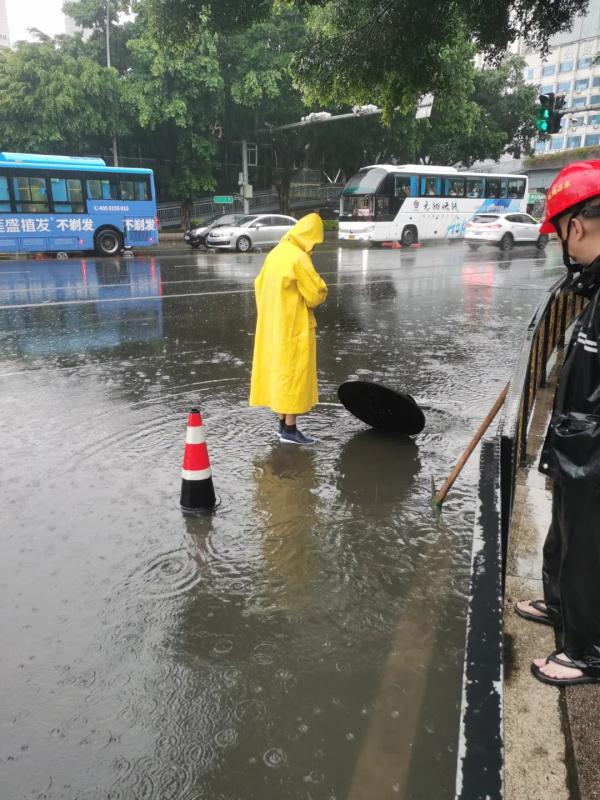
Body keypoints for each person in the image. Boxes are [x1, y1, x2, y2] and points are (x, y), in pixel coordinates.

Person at [516, 160, 600, 686]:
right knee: (564, 536)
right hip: (577, 444)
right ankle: (560, 607)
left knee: (589, 547)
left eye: (559, 235)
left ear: (575, 226)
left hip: (593, 452)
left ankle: (588, 651)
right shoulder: (592, 284)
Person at [249, 213, 328, 446]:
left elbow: (259, 285)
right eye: (315, 241)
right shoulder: (299, 258)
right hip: (294, 326)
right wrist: (323, 289)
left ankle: (282, 425)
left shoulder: (276, 253)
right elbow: (315, 294)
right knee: (293, 375)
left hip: (274, 325)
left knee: (280, 372)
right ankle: (291, 430)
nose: (314, 246)